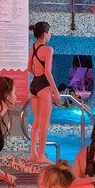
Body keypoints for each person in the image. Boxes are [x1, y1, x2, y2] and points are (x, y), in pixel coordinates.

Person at [28, 22, 59, 164]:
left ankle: (32, 154)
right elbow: (47, 72)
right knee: (45, 122)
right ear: (45, 34)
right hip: (43, 87)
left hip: (34, 85)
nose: (50, 34)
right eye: (50, 32)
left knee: (36, 121)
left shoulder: (33, 47)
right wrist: (55, 90)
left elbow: (29, 68)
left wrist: (37, 77)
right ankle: (41, 155)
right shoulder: (48, 49)